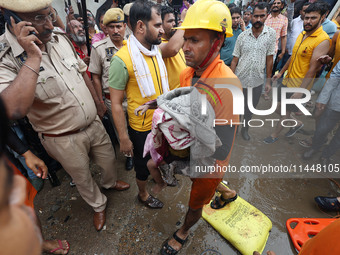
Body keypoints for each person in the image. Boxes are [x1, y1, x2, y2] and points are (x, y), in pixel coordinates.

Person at [0, 0, 130, 231]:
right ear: (11, 18)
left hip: (93, 124)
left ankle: (109, 184)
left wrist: (99, 106)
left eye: (50, 15)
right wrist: (32, 57)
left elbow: (82, 73)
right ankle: (98, 205)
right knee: (82, 178)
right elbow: (13, 110)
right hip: (61, 137)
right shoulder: (6, 58)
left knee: (109, 160)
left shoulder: (59, 37)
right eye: (40, 19)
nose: (50, 24)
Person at [160, 0, 242, 253]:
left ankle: (183, 232)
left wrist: (179, 153)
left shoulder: (229, 86)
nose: (185, 47)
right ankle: (228, 193)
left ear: (217, 42)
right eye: (185, 39)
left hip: (210, 162)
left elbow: (221, 148)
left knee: (196, 201)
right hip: (197, 150)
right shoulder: (188, 72)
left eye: (194, 40)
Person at [109, 1, 173, 209]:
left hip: (162, 118)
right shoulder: (121, 60)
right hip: (141, 127)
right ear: (140, 26)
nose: (162, 29)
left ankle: (159, 175)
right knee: (142, 167)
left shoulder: (155, 50)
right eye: (157, 25)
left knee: (162, 155)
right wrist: (124, 138)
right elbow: (116, 104)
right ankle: (143, 195)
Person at [263, 2, 330, 144]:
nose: (308, 21)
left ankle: (274, 135)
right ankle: (297, 124)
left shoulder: (322, 40)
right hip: (287, 80)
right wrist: (281, 73)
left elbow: (313, 69)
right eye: (306, 18)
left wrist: (300, 91)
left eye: (313, 18)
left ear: (323, 17)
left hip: (299, 85)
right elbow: (293, 57)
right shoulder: (303, 34)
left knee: (285, 112)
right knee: (276, 107)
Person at [89, 8, 134, 171]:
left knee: (136, 127)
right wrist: (100, 101)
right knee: (120, 129)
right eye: (112, 27)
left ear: (124, 27)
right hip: (111, 99)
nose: (116, 30)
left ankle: (141, 151)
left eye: (119, 26)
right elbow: (95, 77)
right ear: (105, 29)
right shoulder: (98, 48)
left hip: (134, 97)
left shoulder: (133, 43)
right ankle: (129, 156)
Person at [230, 3, 276, 141]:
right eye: (256, 16)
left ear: (266, 16)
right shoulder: (242, 36)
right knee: (237, 108)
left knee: (250, 109)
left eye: (262, 16)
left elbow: (269, 60)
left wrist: (268, 81)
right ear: (250, 16)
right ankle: (235, 128)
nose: (258, 19)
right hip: (239, 80)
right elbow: (234, 60)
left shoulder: (271, 35)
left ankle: (245, 129)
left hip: (256, 81)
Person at [303, 60, 340, 164]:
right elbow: (334, 77)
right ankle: (315, 147)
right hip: (336, 102)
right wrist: (323, 99)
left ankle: (326, 155)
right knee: (322, 129)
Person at [159, 5, 187, 89]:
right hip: (172, 97)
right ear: (160, 24)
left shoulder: (175, 39)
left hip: (186, 91)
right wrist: (183, 22)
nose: (174, 24)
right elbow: (172, 49)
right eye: (170, 21)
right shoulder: (155, 44)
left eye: (174, 20)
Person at [265, 0, 288, 66]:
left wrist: (282, 52)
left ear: (282, 6)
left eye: (278, 3)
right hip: (261, 48)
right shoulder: (265, 17)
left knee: (268, 71)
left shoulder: (284, 19)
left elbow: (283, 36)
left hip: (273, 50)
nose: (275, 5)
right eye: (274, 3)